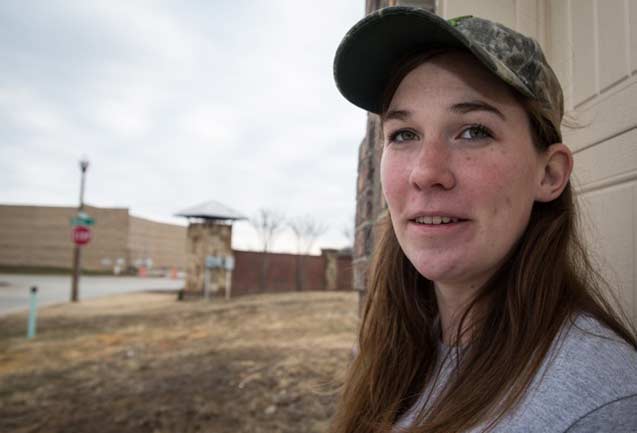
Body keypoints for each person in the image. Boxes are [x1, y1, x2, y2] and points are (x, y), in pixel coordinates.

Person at [330, 6, 637, 433]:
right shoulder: (390, 347)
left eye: (473, 131)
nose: (425, 172)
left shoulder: (602, 405)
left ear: (549, 174)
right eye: (403, 134)